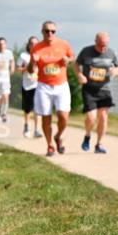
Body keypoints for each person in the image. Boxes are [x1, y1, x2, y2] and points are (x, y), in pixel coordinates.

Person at [28, 20, 74, 156]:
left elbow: (71, 57)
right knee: (46, 118)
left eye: (53, 31)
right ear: (42, 32)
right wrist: (33, 61)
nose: (50, 33)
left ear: (55, 32)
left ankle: (58, 136)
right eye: (47, 31)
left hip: (61, 85)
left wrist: (68, 60)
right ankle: (49, 145)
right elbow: (31, 71)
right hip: (44, 86)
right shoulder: (36, 48)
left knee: (63, 117)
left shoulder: (64, 44)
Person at [74, 32, 118, 153]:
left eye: (105, 45)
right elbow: (76, 64)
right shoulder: (86, 51)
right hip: (89, 89)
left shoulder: (110, 53)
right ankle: (87, 135)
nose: (103, 48)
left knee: (104, 117)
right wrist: (79, 75)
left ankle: (99, 144)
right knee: (91, 117)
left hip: (104, 89)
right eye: (100, 45)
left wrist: (116, 71)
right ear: (95, 41)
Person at [17, 36, 39, 138]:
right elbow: (18, 69)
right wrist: (28, 68)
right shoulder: (23, 56)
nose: (34, 45)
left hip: (38, 84)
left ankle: (37, 129)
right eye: (32, 43)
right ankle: (26, 125)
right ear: (28, 45)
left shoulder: (41, 55)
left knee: (37, 107)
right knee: (27, 108)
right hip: (27, 85)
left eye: (36, 43)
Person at [0, 37, 15, 124]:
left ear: (6, 45)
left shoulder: (9, 53)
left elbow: (12, 61)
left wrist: (12, 69)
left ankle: (4, 113)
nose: (2, 46)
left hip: (5, 78)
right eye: (0, 44)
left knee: (5, 96)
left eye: (3, 44)